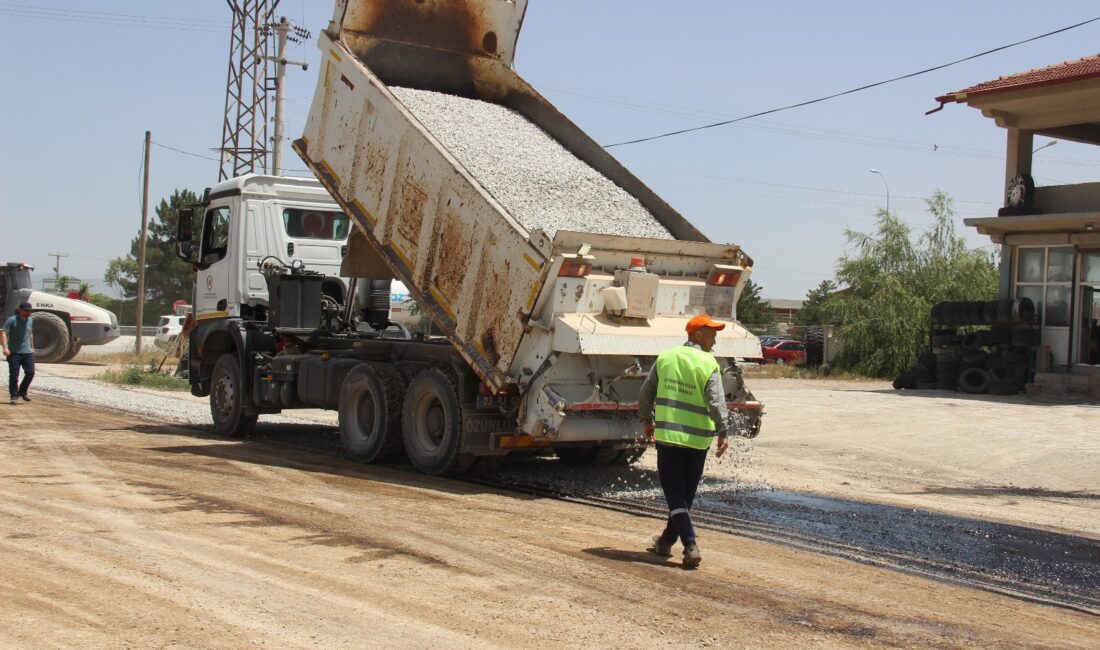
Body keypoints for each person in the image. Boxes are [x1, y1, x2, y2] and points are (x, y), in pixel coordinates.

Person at [638, 314, 731, 568]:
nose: (714, 339)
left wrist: (646, 419)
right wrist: (723, 430)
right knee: (684, 496)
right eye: (711, 333)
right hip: (698, 441)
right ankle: (676, 543)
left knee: (677, 496)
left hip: (669, 439)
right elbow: (716, 402)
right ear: (697, 335)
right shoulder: (708, 363)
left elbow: (646, 393)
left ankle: (681, 542)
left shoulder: (666, 357)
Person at [2, 302, 36, 405]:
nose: (28, 313)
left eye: (30, 311)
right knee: (14, 375)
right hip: (14, 352)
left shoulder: (30, 320)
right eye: (26, 311)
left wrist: (32, 347)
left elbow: (30, 333)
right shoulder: (12, 320)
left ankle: (22, 391)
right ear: (20, 310)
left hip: (27, 352)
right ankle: (13, 396)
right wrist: (5, 348)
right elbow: (3, 332)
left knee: (31, 372)